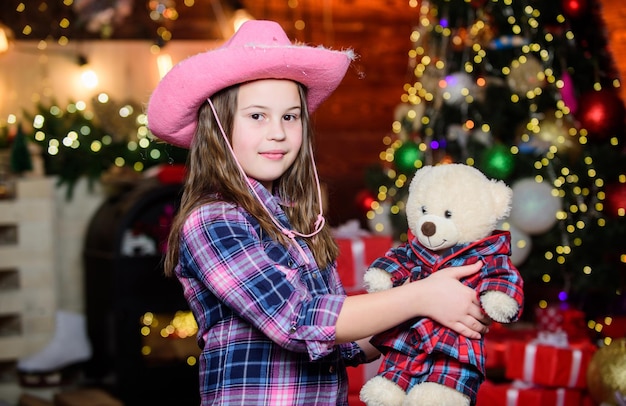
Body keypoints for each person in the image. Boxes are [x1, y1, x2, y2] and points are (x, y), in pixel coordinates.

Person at [147, 20, 489, 406]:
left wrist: (433, 316)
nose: (277, 132)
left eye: (290, 117)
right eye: (257, 116)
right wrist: (421, 297)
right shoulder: (213, 219)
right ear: (218, 127)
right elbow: (298, 320)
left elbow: (336, 343)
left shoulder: (296, 223)